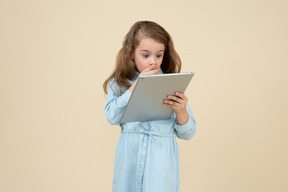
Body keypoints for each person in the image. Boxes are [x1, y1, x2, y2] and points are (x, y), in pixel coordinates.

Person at [103, 21, 196, 192]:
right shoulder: (119, 84)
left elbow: (188, 133)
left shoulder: (170, 84)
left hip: (161, 167)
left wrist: (181, 110)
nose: (153, 62)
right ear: (132, 53)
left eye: (158, 55)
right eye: (145, 55)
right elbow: (112, 116)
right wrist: (135, 87)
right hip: (129, 164)